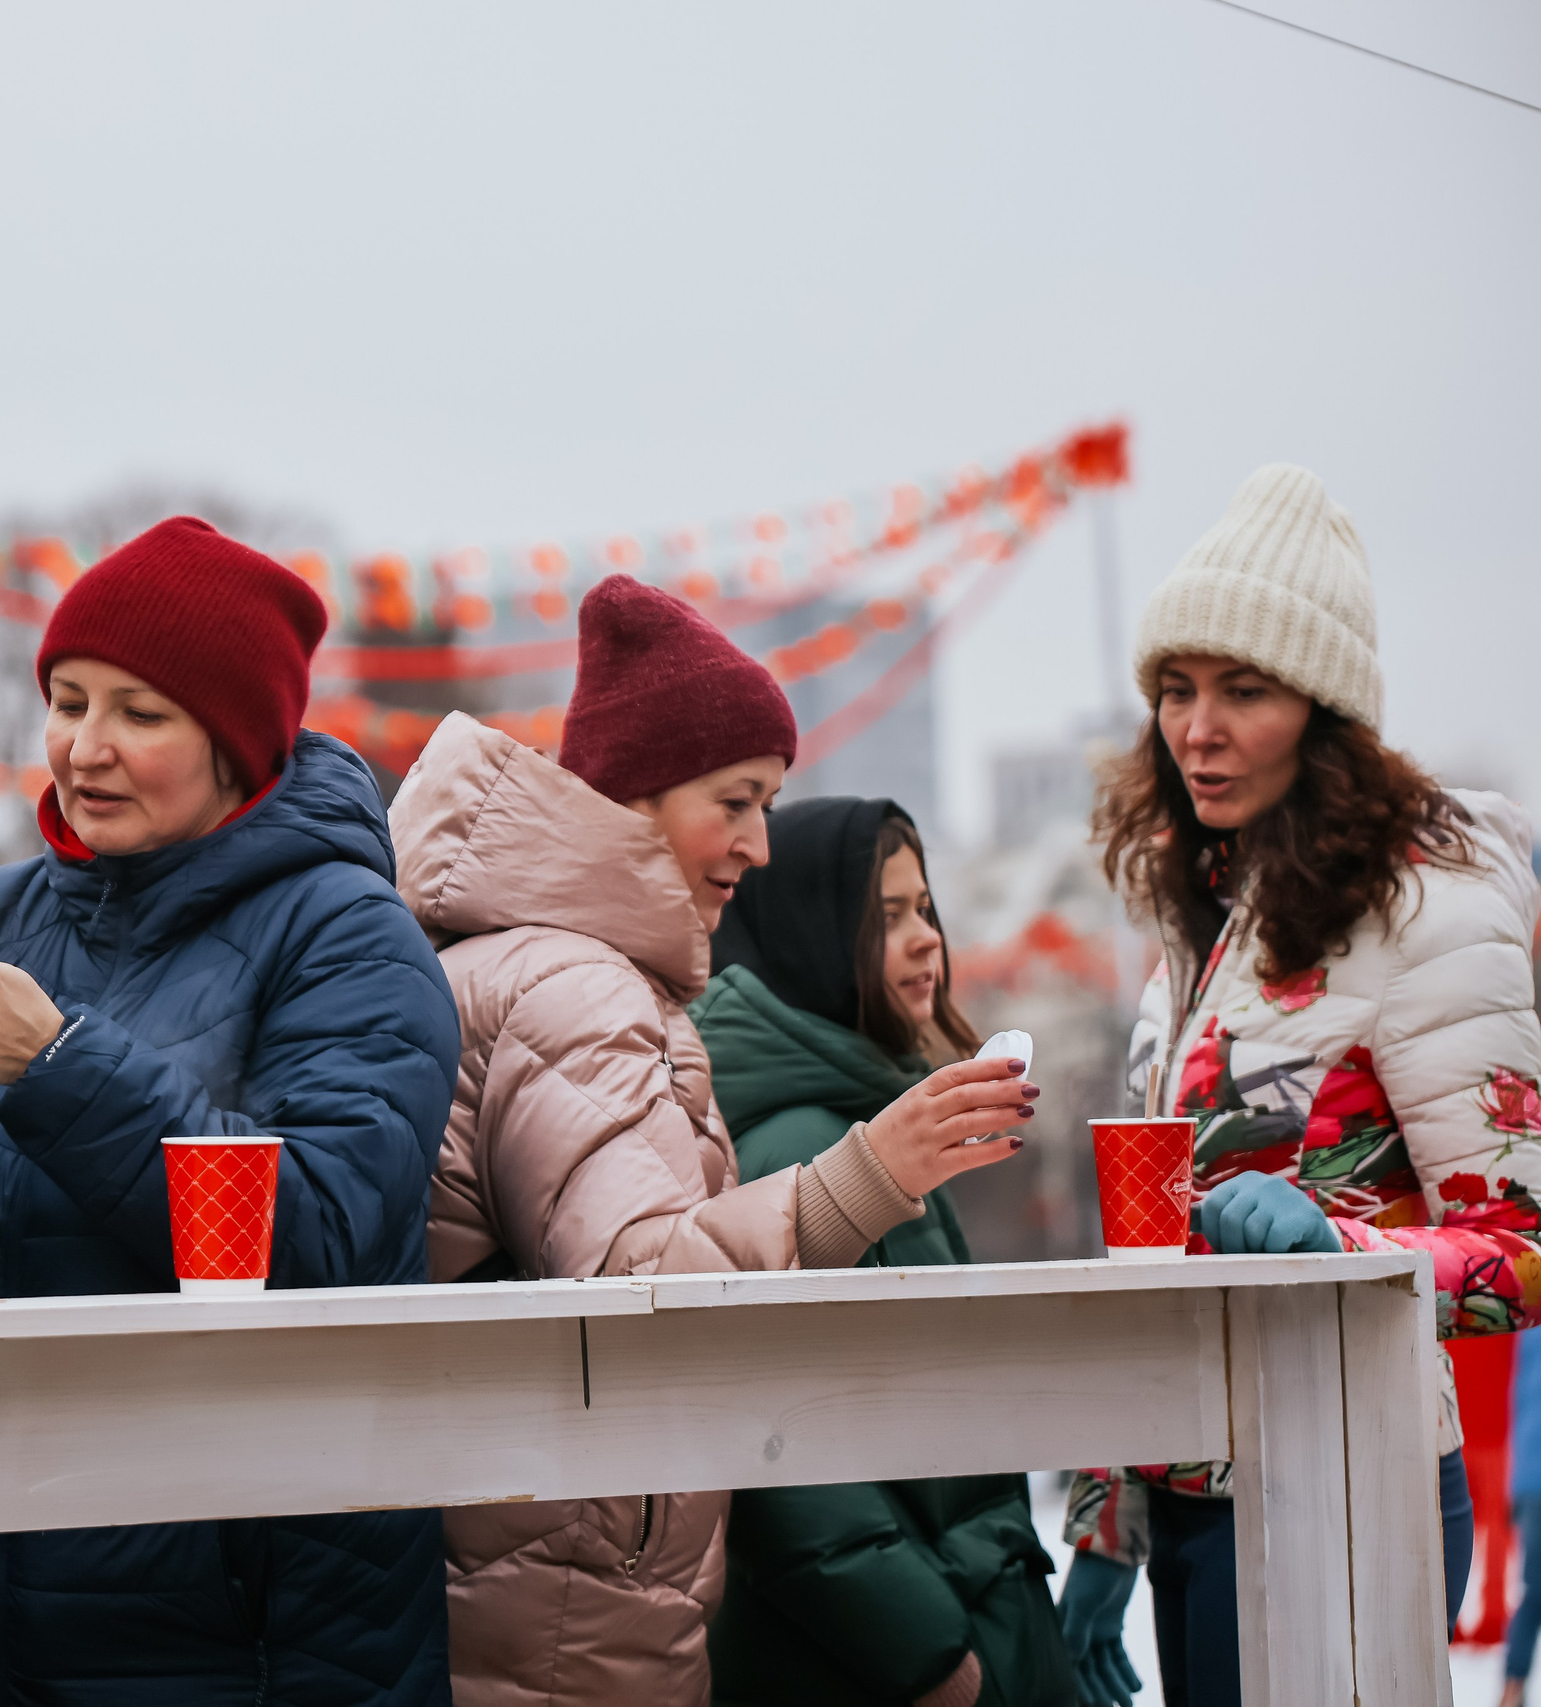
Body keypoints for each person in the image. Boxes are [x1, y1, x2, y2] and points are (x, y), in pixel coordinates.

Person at [0, 516, 461, 1704]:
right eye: (67, 701)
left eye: (140, 713)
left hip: (234, 1653)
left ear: (237, 741)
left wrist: (55, 1066)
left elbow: (323, 1236)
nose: (84, 748)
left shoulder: (350, 938)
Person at [386, 574, 1035, 1707]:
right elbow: (640, 1285)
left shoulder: (536, 964)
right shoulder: (572, 989)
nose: (760, 844)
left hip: (524, 1573)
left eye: (768, 804)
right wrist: (867, 1178)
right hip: (561, 1601)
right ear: (634, 793)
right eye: (734, 800)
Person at [1063, 463, 1541, 1706]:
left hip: (1347, 1482)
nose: (1196, 728)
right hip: (1191, 1491)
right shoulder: (1197, 914)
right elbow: (1153, 1246)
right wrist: (1105, 1515)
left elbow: (1524, 1251)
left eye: (1243, 689)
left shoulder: (1430, 909)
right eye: (1175, 687)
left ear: (1323, 713)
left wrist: (1330, 1245)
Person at [692, 796, 1078, 1707]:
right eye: (885, 916)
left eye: (926, 910)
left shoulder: (866, 1113)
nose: (924, 942)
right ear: (807, 935)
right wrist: (942, 1663)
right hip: (883, 1660)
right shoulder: (807, 1143)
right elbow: (789, 1461)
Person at [1505, 1329, 1541, 1707]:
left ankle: (1512, 1687)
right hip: (1532, 1475)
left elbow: (1518, 1401)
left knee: (1534, 1590)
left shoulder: (1528, 1328)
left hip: (1529, 1478)